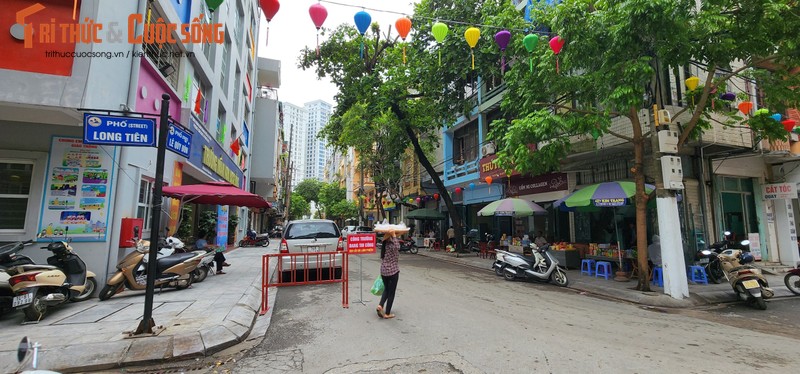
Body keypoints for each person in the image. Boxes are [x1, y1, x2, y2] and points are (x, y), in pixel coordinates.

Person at [377, 229, 401, 319]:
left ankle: (380, 305)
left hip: (383, 271)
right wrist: (394, 235)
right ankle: (387, 313)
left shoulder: (384, 245)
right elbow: (398, 247)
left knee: (386, 289)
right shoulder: (391, 245)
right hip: (393, 271)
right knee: (391, 292)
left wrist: (393, 235)